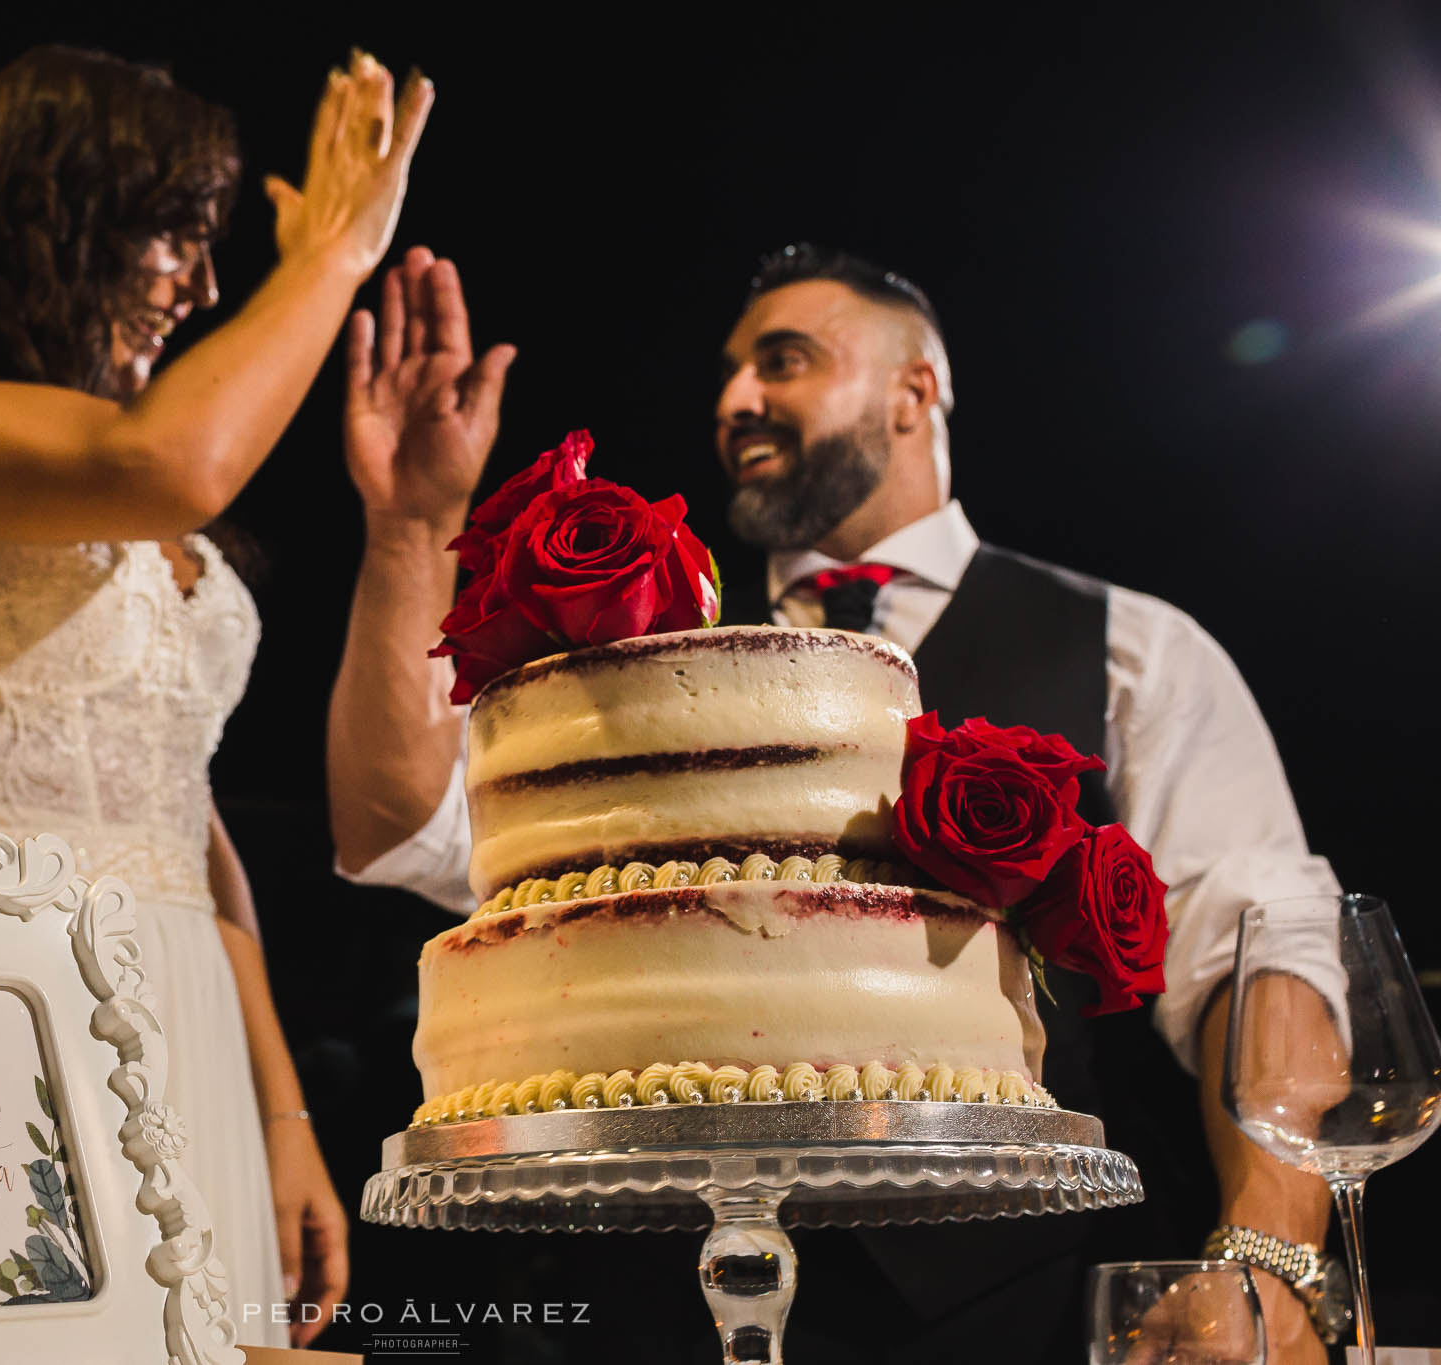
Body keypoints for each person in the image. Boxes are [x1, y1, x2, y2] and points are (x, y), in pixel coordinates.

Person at [327, 243, 1340, 1363]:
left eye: (783, 360)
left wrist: (1269, 1252)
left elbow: (1259, 947)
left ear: (917, 390)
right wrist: (409, 529)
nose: (733, 400)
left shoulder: (1130, 651)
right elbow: (395, 825)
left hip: (1012, 1313)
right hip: (653, 1309)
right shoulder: (637, 677)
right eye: (727, 373)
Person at [0, 45, 431, 1349]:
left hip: (183, 1017)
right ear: (53, 211)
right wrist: (335, 256)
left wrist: (281, 1119)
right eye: (175, 238)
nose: (202, 288)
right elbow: (175, 461)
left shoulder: (125, 487)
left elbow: (187, 832)